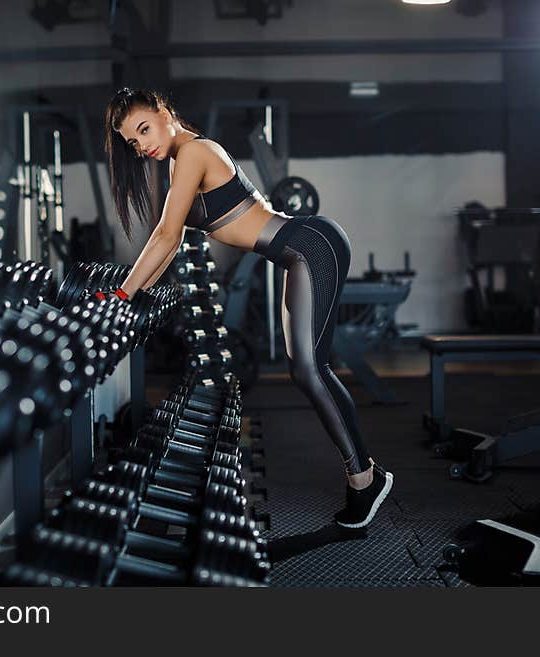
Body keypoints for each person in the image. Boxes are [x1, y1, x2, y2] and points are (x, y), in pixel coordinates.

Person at [103, 88, 393, 529]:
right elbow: (173, 242)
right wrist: (133, 294)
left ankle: (365, 479)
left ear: (164, 112)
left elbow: (163, 234)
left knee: (311, 371)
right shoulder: (184, 161)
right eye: (132, 142)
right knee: (306, 371)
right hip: (298, 255)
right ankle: (365, 476)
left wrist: (122, 296)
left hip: (311, 247)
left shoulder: (196, 151)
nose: (141, 145)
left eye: (143, 129)